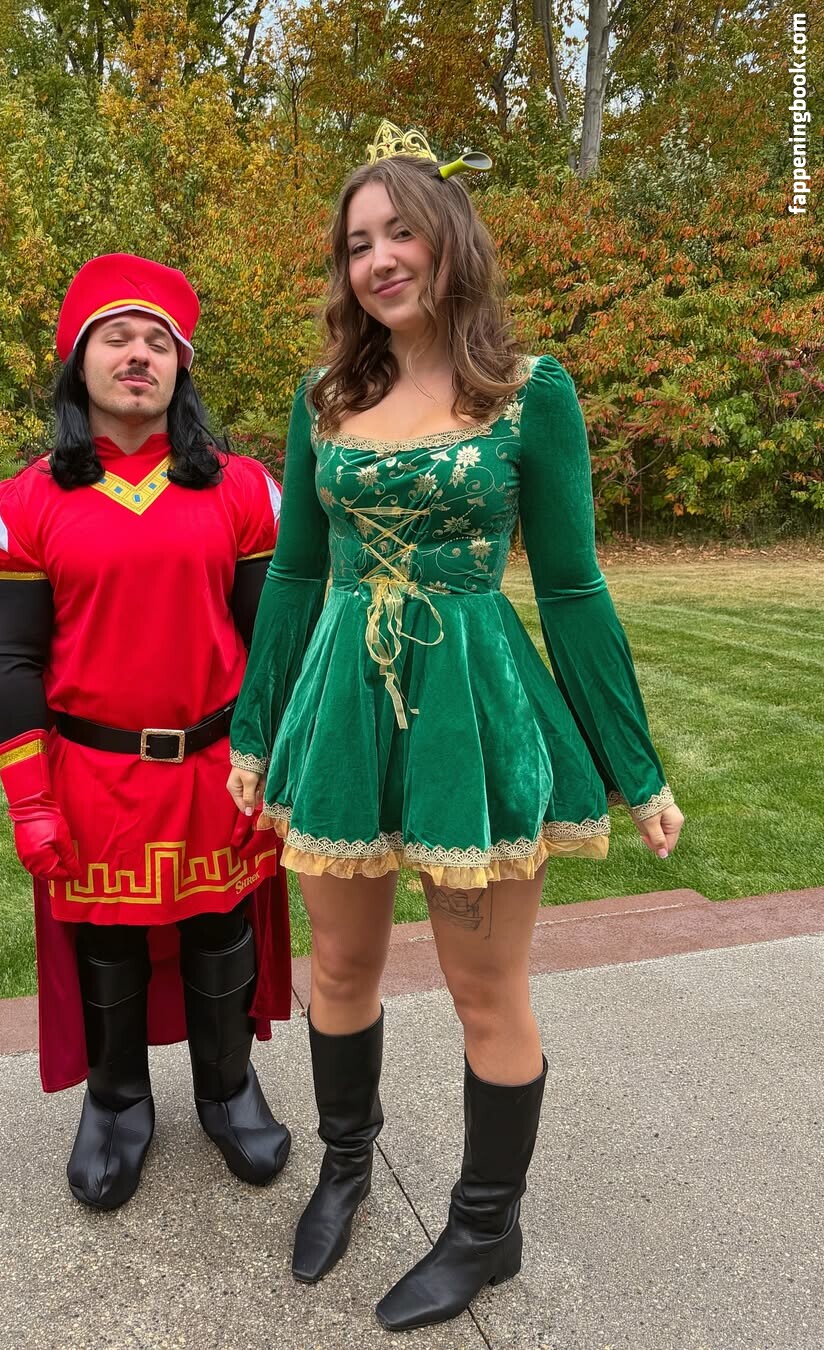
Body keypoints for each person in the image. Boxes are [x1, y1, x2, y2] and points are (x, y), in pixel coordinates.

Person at [226, 121, 684, 1332]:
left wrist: (635, 767)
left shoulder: (531, 394)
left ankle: (486, 1228)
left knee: (486, 987)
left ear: (449, 240)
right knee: (340, 966)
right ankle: (345, 1167)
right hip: (341, 708)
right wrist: (253, 732)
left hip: (474, 709)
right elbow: (295, 574)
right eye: (357, 243)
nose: (378, 259)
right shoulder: (323, 399)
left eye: (400, 233)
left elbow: (572, 588)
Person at [0, 252, 293, 1213]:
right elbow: (13, 663)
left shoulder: (239, 490)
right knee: (106, 944)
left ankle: (228, 1090)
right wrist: (30, 801)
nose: (139, 355)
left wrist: (274, 766)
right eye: (117, 338)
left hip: (219, 767)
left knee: (221, 930)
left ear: (182, 367)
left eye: (158, 341)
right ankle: (116, 1102)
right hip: (93, 774)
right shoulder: (28, 504)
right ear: (80, 362)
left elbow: (268, 644)